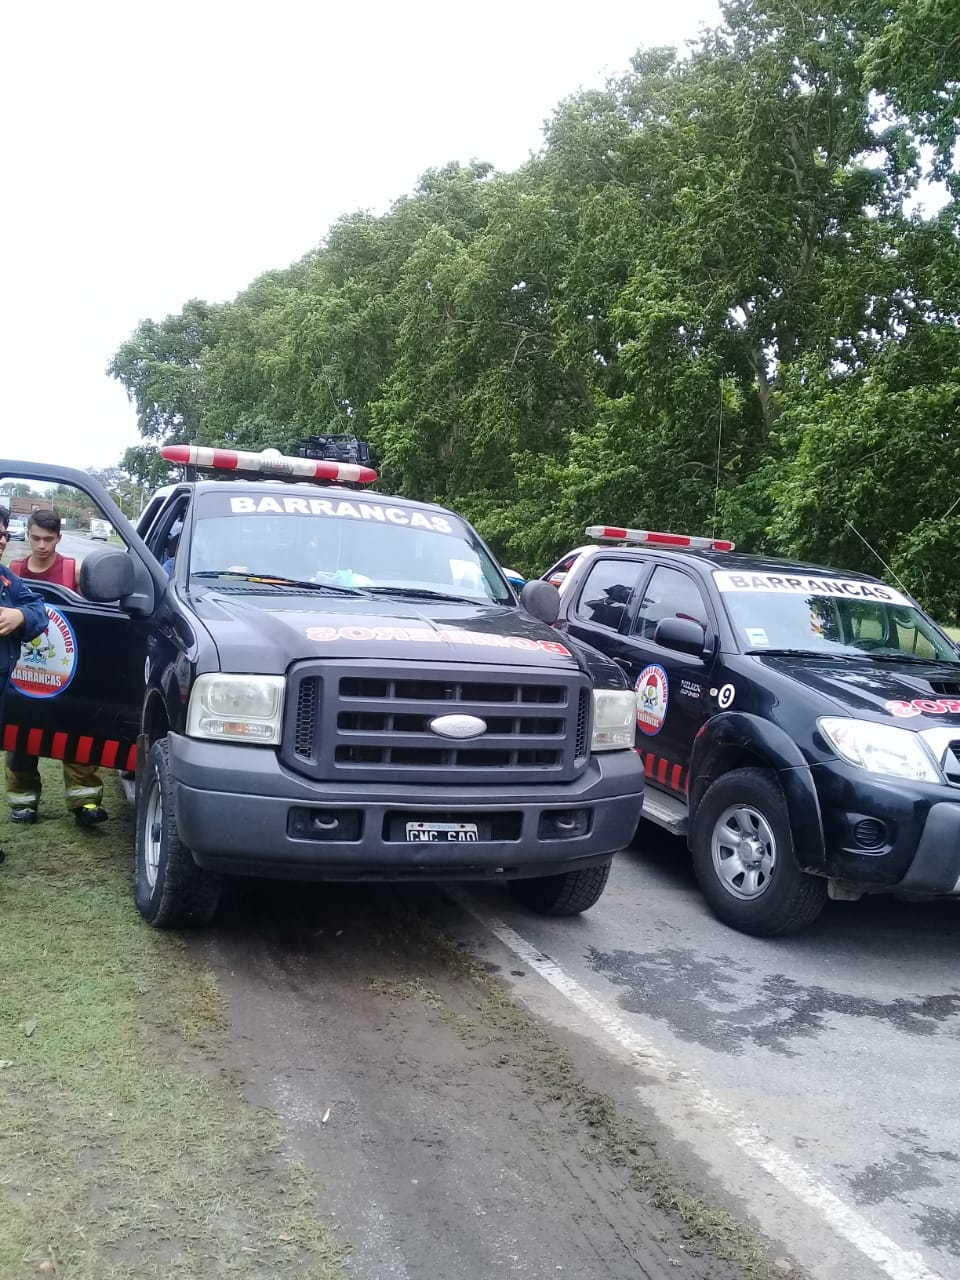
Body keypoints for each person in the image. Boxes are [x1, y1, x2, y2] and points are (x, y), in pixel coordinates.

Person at [5, 508, 109, 827]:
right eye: (35, 538)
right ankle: (23, 802)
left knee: (76, 731)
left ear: (58, 538)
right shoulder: (13, 571)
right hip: (24, 671)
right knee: (20, 734)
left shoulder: (71, 570)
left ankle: (85, 802)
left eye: (48, 539)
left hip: (66, 670)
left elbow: (94, 615)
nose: (41, 546)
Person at [0, 509, 49, 822]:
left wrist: (20, 616)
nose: (2, 541)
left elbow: (37, 608)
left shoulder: (6, 579)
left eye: (3, 534)